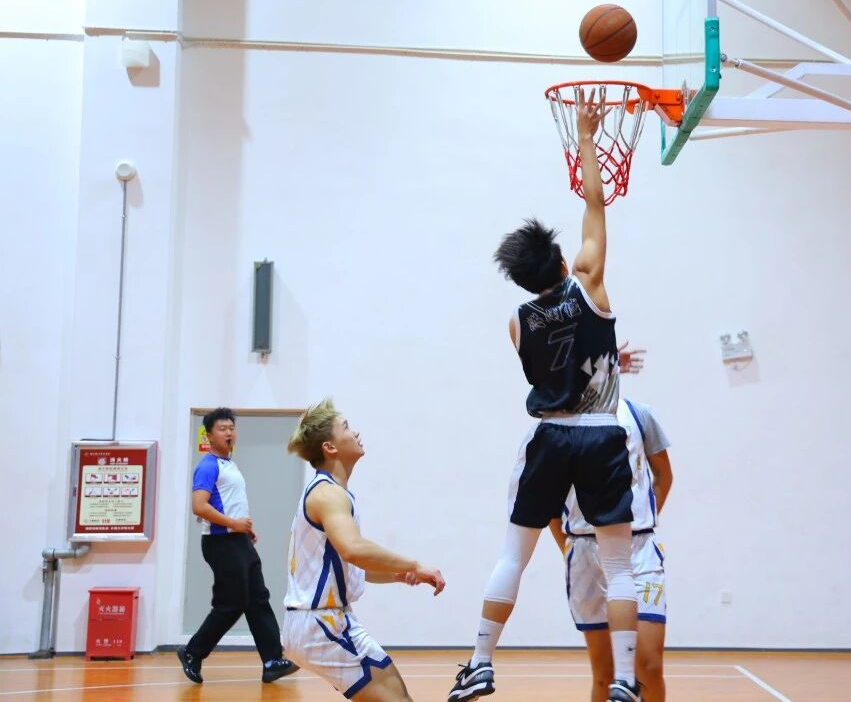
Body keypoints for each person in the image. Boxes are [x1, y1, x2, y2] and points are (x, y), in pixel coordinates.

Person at [449, 91, 643, 702]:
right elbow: (594, 204)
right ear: (563, 260)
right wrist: (585, 135)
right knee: (619, 565)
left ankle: (480, 662)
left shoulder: (515, 321)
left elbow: (558, 362)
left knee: (515, 554)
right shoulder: (588, 280)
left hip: (550, 435)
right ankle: (626, 679)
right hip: (601, 433)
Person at [282, 398, 446, 700]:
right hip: (320, 623)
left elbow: (351, 564)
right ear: (329, 447)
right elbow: (353, 549)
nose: (355, 432)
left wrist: (396, 574)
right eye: (346, 427)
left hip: (324, 621)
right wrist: (413, 564)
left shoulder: (334, 493)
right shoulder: (328, 494)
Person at [550, 397, 673, 702]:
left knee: (649, 666)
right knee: (604, 675)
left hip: (638, 551)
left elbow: (664, 475)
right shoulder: (557, 420)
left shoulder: (638, 414)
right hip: (586, 552)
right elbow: (548, 500)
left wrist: (642, 521)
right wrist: (567, 548)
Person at [178, 407, 298, 684]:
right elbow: (199, 506)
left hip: (237, 540)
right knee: (231, 603)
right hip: (220, 543)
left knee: (257, 598)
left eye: (231, 428)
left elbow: (228, 503)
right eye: (222, 428)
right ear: (209, 436)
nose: (229, 432)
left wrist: (244, 530)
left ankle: (272, 660)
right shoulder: (208, 466)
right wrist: (233, 524)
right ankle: (192, 652)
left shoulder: (229, 464)